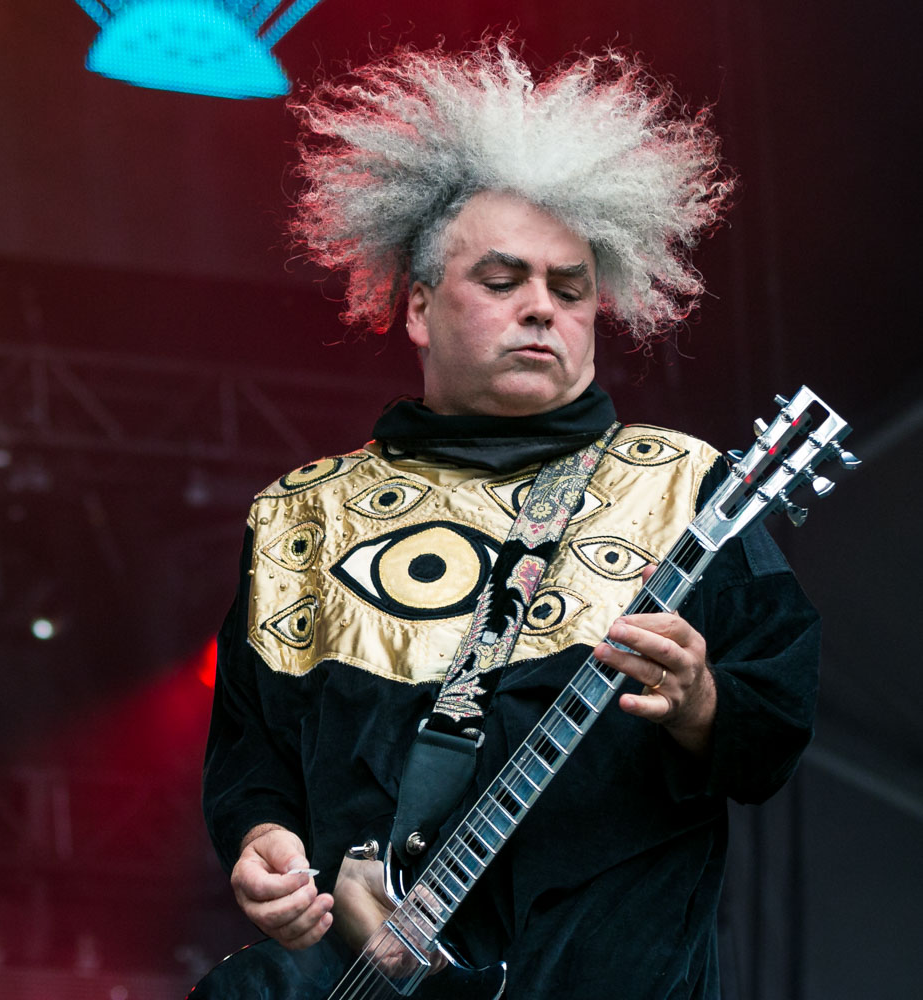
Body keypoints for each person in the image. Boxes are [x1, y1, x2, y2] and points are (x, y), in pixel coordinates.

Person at [196, 38, 820, 1000]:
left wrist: (703, 702)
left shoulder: (681, 487)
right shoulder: (301, 514)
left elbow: (774, 727)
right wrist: (263, 844)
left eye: (571, 291)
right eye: (504, 281)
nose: (543, 310)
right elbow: (252, 751)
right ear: (416, 307)